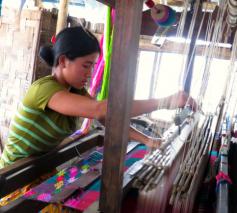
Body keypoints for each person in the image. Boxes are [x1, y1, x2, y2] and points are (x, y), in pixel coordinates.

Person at [0, 26, 196, 169]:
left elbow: (109, 117)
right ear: (63, 61)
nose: (90, 73)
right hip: (13, 176)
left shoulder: (75, 91)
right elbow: (101, 109)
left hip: (37, 170)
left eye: (93, 66)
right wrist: (165, 102)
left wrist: (149, 141)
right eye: (86, 65)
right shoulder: (44, 90)